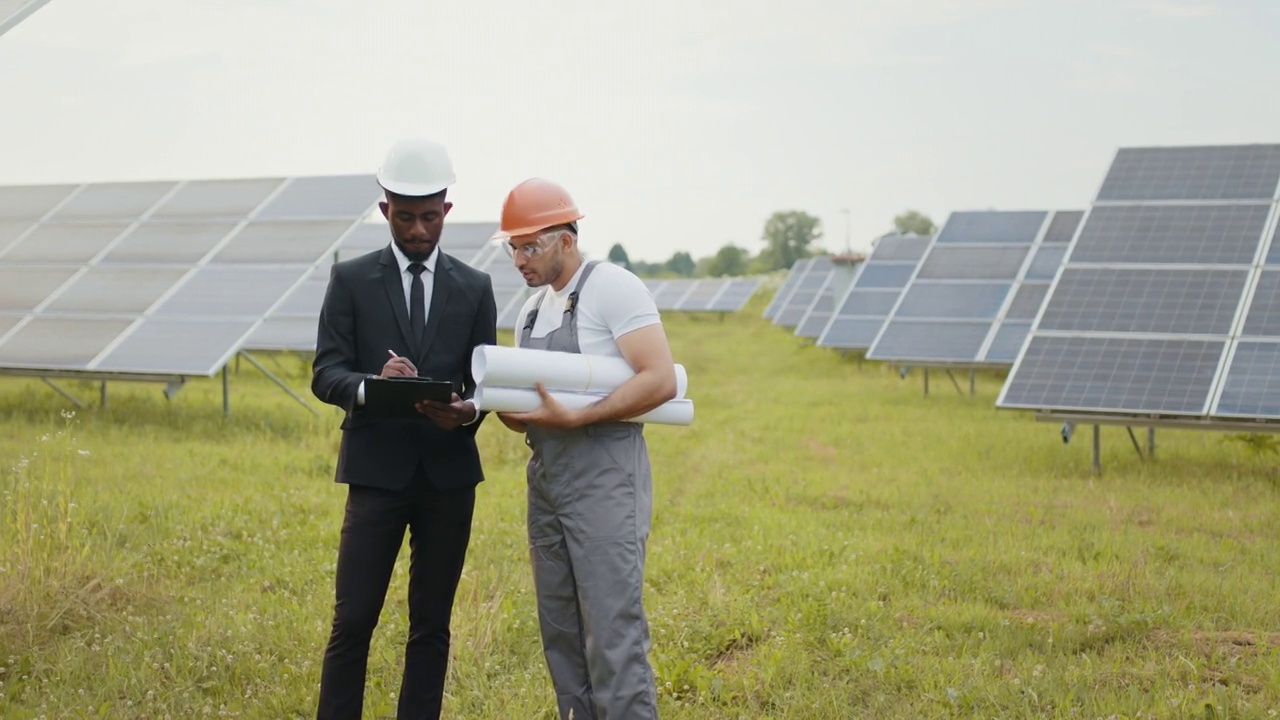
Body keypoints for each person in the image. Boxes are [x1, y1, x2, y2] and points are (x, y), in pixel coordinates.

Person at [310, 136, 497, 720]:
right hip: (375, 475)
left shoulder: (476, 287)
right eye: (407, 217)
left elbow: (485, 380)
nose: (418, 230)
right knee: (354, 620)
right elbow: (325, 373)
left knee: (431, 625)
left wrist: (468, 410)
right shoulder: (352, 279)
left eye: (430, 217)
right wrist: (372, 384)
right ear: (385, 209)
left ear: (447, 209)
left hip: (448, 478)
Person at [494, 178, 678, 720]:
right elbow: (535, 403)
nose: (519, 259)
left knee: (611, 628)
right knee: (561, 628)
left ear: (567, 239)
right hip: (547, 478)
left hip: (603, 474)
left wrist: (580, 416)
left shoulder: (612, 287)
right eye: (513, 247)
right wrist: (507, 411)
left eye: (531, 246)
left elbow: (660, 378)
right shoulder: (532, 312)